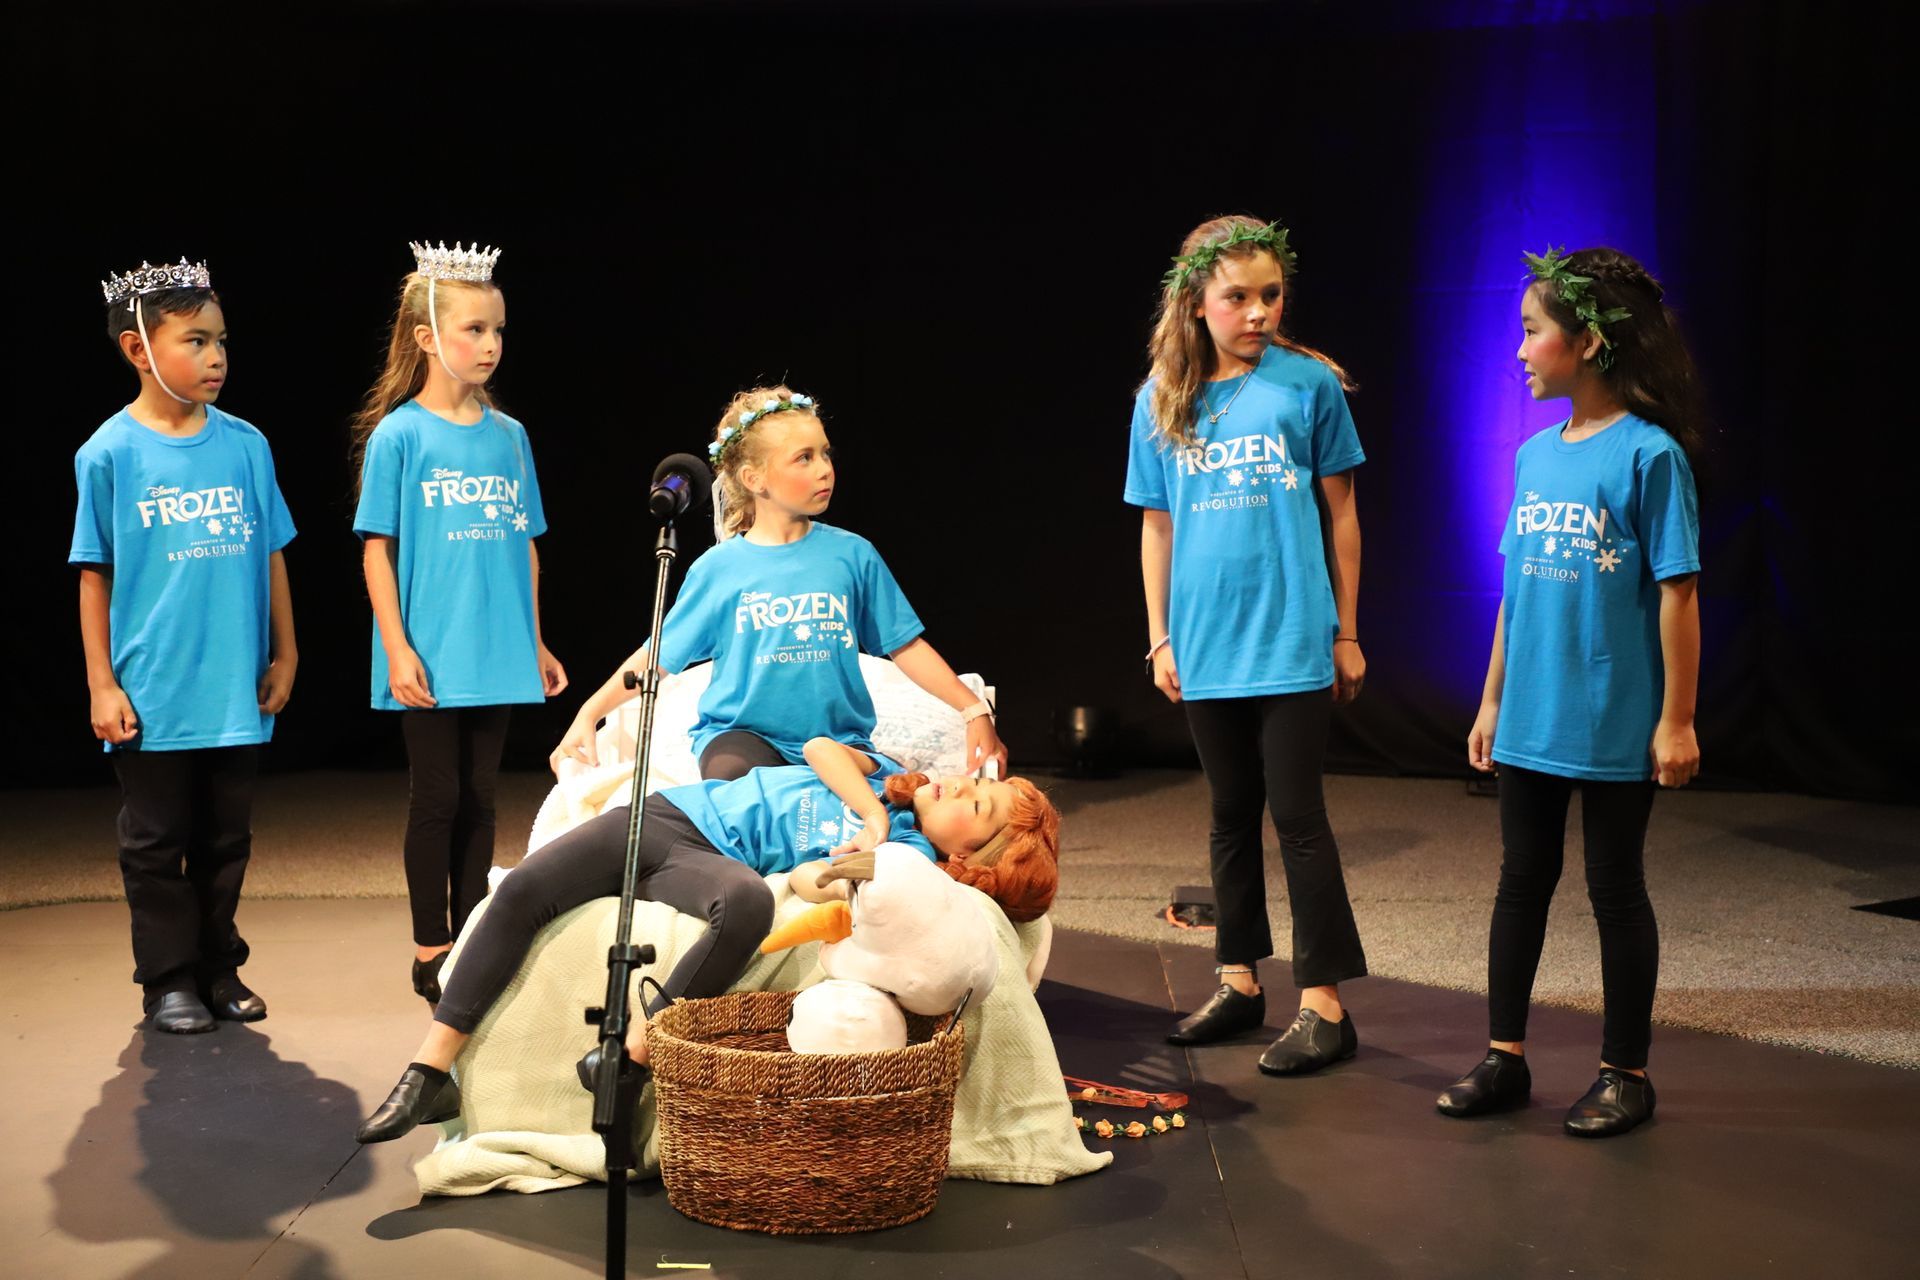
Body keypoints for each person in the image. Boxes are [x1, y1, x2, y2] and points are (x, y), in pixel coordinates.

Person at [354, 736, 1059, 1143]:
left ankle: (629, 1058)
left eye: (977, 806)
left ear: (969, 862)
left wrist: (846, 866)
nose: (964, 785)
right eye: (977, 785)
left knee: (749, 901)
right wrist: (874, 811)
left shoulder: (908, 867)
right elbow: (818, 748)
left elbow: (815, 881)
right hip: (670, 817)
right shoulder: (885, 779)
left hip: (705, 862)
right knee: (518, 891)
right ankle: (429, 1075)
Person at [1437, 246, 1704, 1138]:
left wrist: (1675, 719)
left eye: (1531, 330)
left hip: (1614, 721)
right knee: (1521, 883)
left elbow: (1678, 593)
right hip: (1531, 718)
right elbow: (1515, 595)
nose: (1518, 349)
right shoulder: (1533, 456)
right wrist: (1489, 701)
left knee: (1615, 890)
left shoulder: (1650, 455)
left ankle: (1625, 1073)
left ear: (1586, 341)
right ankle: (1503, 1058)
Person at [1123, 215, 1370, 1075]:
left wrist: (1345, 630)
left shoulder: (1308, 387)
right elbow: (1157, 527)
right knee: (1230, 816)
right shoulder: (1163, 399)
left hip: (1293, 636)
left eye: (1271, 295)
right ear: (1197, 301)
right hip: (1205, 641)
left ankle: (1325, 1004)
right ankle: (1238, 981)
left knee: (1298, 817)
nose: (1258, 311)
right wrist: (1159, 637)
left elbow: (1341, 514)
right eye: (1239, 297)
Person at [551, 385, 1005, 783]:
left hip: (836, 741)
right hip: (743, 740)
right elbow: (659, 654)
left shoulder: (852, 555)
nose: (824, 469)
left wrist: (973, 710)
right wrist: (589, 713)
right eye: (804, 458)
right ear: (754, 479)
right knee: (740, 786)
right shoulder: (719, 569)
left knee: (874, 803)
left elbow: (904, 645)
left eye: (825, 453)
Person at [71, 257, 298, 1033]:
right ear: (139, 349)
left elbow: (271, 553)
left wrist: (286, 652)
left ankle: (218, 966)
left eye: (222, 341)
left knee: (226, 837)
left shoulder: (246, 445)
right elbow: (94, 574)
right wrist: (104, 683)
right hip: (155, 685)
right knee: (156, 839)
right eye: (195, 341)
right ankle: (167, 978)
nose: (216, 357)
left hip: (233, 682)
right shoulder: (110, 453)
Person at [349, 242, 566, 1005]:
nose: (489, 345)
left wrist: (533, 637)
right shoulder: (400, 437)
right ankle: (429, 946)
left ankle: (471, 928)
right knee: (436, 796)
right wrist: (397, 646)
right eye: (473, 329)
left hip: (497, 644)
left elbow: (525, 547)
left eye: (497, 330)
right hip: (433, 648)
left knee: (481, 795)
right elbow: (379, 552)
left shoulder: (509, 437)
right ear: (427, 339)